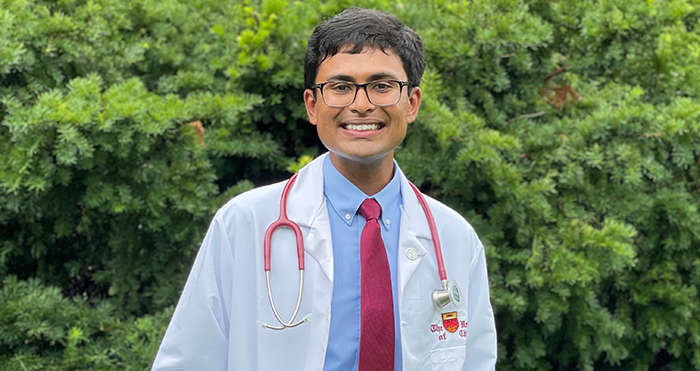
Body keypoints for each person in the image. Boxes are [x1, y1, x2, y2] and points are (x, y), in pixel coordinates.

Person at [152, 7, 496, 371]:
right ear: (312, 106)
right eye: (341, 87)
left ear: (411, 103)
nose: (361, 105)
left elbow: (475, 361)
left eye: (382, 86)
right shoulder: (244, 224)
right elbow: (189, 360)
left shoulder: (454, 238)